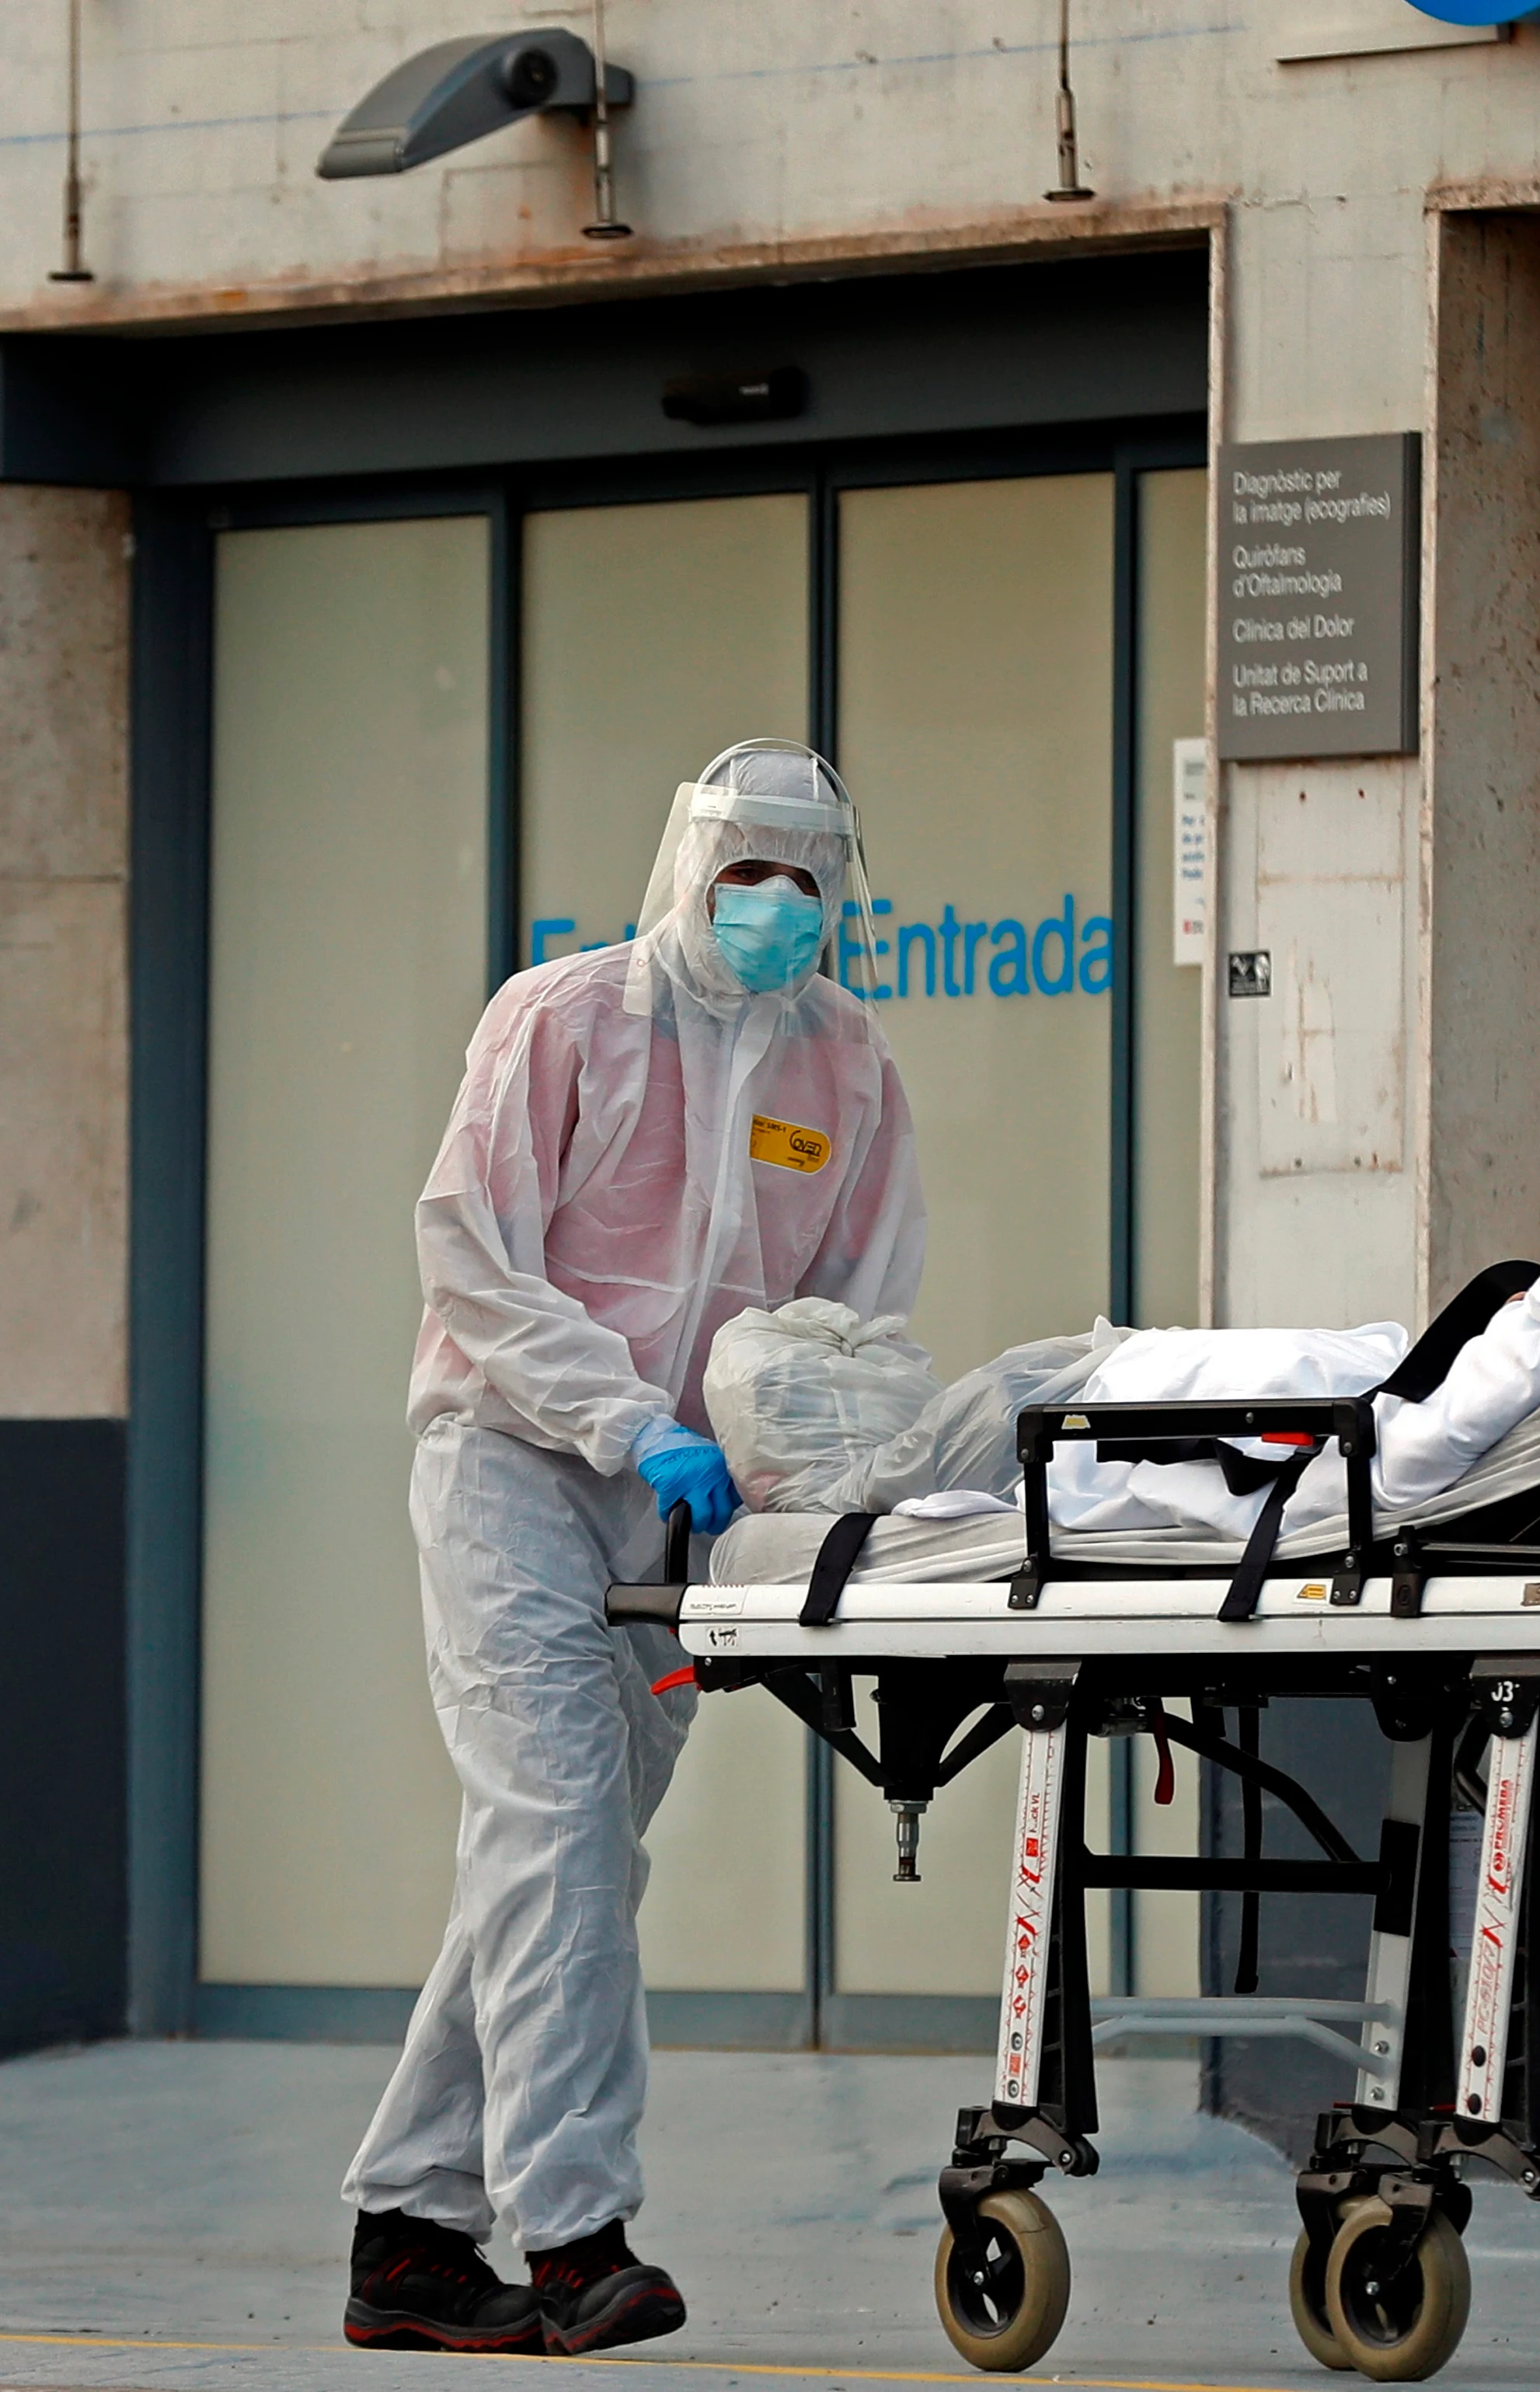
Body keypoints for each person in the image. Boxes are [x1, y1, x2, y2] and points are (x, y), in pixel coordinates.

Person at [342, 739, 927, 2356]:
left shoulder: (847, 1068)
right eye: (749, 868)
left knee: (567, 1857)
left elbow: (861, 1304)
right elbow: (467, 1254)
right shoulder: (567, 1019)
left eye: (807, 878)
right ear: (690, 863)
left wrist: (804, 1462)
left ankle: (406, 2229)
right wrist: (622, 1412)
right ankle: (575, 2233)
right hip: (515, 1465)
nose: (776, 903)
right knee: (558, 1833)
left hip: (685, 1509)